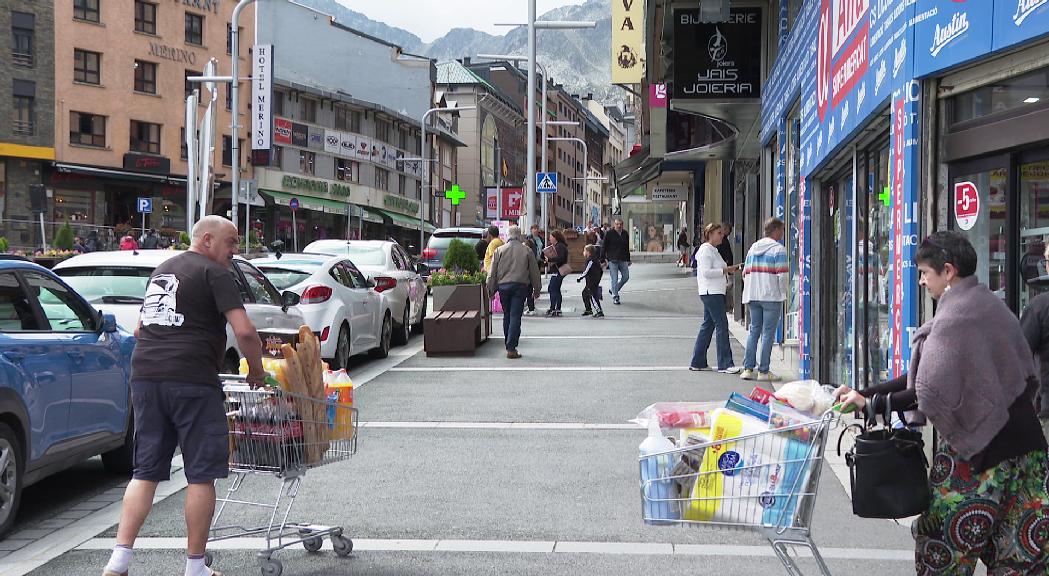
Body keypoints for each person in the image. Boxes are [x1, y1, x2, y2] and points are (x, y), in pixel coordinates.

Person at [835, 231, 1048, 575]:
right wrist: (867, 394)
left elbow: (926, 389)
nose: (921, 281)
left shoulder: (955, 319)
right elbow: (925, 377)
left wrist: (869, 405)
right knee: (1020, 554)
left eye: (925, 273)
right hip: (1028, 449)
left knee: (942, 550)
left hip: (981, 455)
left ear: (948, 271)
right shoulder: (989, 305)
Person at [103, 216, 267, 576]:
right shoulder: (215, 273)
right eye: (232, 242)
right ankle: (195, 568)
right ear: (207, 240)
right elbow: (246, 331)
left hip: (146, 377)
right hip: (192, 379)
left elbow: (141, 326)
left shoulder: (163, 270)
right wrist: (256, 370)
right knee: (200, 475)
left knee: (144, 472)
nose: (235, 250)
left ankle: (118, 562)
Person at [740, 218, 789, 382]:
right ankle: (763, 371)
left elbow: (745, 273)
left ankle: (748, 368)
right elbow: (782, 275)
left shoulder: (753, 248)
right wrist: (783, 294)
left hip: (753, 295)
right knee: (768, 333)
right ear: (775, 231)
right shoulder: (779, 249)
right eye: (781, 230)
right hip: (771, 296)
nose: (782, 233)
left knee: (754, 331)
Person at [689, 223, 742, 374]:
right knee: (721, 324)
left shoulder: (713, 250)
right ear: (710, 234)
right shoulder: (706, 251)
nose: (722, 235)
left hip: (713, 291)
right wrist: (727, 270)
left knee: (708, 325)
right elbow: (706, 272)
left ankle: (698, 361)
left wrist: (728, 270)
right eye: (719, 233)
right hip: (711, 292)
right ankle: (725, 363)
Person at [486, 226, 541, 359]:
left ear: (508, 236)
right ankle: (511, 347)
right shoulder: (526, 250)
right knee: (515, 316)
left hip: (503, 287)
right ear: (519, 236)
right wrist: (537, 289)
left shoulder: (499, 250)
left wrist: (491, 290)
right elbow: (534, 272)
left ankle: (508, 344)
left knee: (507, 315)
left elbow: (492, 273)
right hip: (520, 287)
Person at [604, 218, 631, 305]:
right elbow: (604, 246)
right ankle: (615, 296)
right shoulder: (609, 233)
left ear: (622, 225)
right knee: (614, 279)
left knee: (626, 277)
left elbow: (627, 247)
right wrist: (602, 258)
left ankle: (613, 290)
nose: (619, 226)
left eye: (620, 224)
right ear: (614, 225)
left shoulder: (625, 234)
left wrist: (628, 259)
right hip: (613, 259)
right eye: (617, 224)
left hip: (623, 259)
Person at [542, 230, 568, 317]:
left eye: (551, 236)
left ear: (555, 238)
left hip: (558, 271)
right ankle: (555, 307)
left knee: (553, 288)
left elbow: (560, 258)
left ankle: (555, 308)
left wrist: (550, 260)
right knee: (554, 289)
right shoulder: (557, 246)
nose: (549, 238)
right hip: (556, 271)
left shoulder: (560, 246)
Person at [577, 244, 604, 317]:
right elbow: (601, 271)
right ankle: (588, 310)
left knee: (592, 296)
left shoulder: (590, 260)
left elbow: (586, 270)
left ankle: (599, 311)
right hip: (594, 280)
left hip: (591, 281)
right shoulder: (596, 259)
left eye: (584, 251)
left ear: (588, 252)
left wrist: (580, 277)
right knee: (585, 294)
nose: (583, 252)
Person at [718, 224, 736, 312]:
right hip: (726, 267)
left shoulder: (723, 240)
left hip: (726, 267)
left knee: (729, 285)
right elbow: (726, 253)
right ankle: (728, 306)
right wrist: (728, 267)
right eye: (729, 230)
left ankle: (728, 306)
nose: (730, 232)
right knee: (729, 286)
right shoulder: (723, 240)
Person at [523, 237, 539, 316]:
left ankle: (531, 308)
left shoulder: (527, 253)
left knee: (528, 293)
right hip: (529, 277)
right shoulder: (531, 253)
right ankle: (531, 308)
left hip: (527, 277)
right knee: (529, 293)